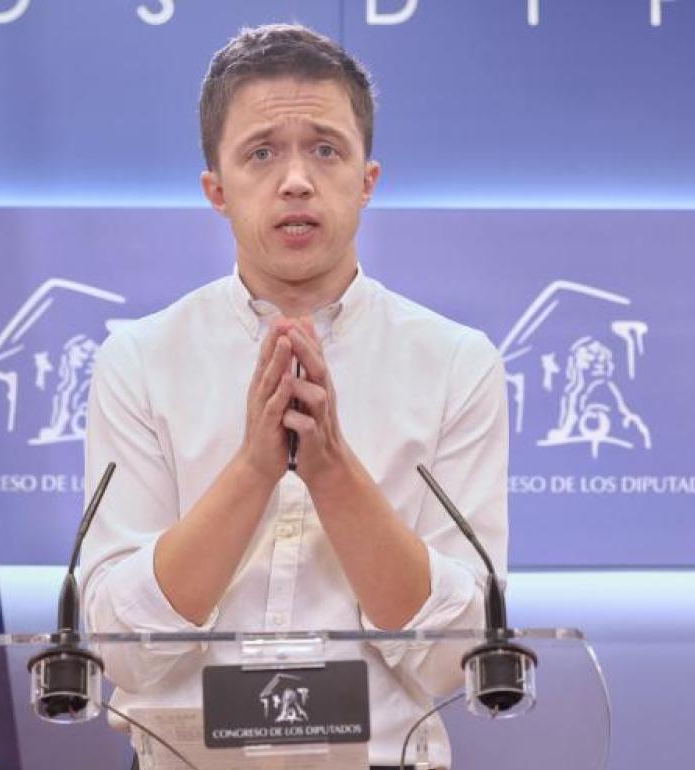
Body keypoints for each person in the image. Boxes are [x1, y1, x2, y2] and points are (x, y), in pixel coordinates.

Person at [79, 23, 509, 769]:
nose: (297, 181)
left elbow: (458, 658)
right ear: (217, 190)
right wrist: (253, 468)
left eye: (326, 149)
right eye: (262, 153)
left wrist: (332, 471)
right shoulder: (140, 361)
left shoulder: (455, 364)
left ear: (367, 179)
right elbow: (123, 649)